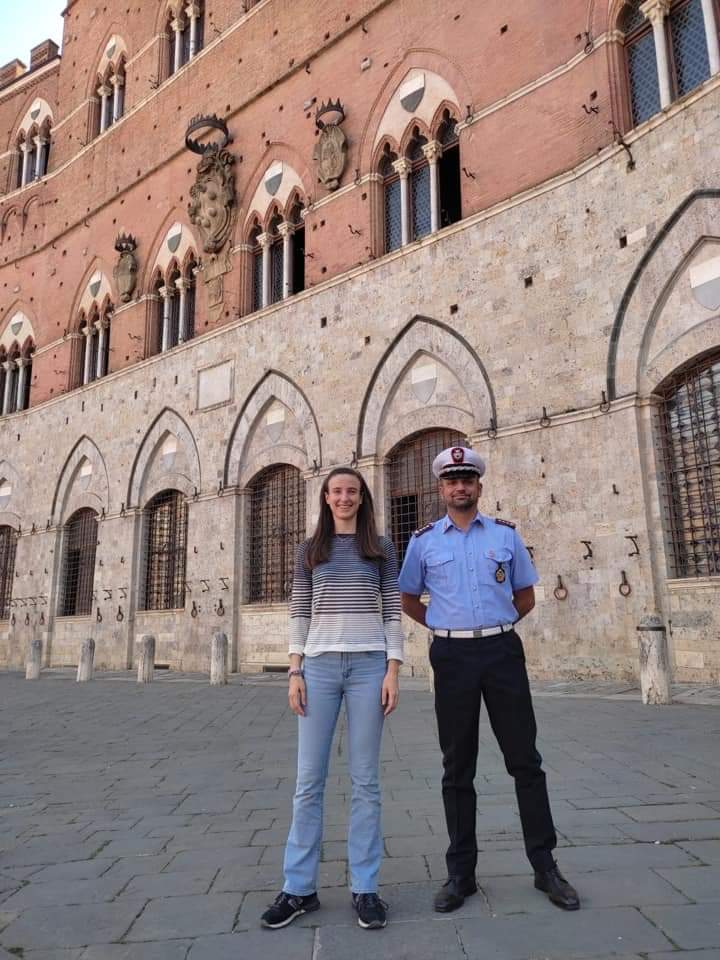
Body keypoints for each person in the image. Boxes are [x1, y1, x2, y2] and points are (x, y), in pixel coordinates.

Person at [398, 446, 579, 914]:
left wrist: (494, 626)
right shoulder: (423, 542)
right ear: (441, 488)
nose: (460, 487)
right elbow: (409, 598)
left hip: (501, 652)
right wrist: (448, 628)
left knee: (525, 760)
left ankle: (545, 866)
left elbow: (525, 595)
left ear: (479, 486)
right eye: (451, 480)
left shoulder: (505, 535)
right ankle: (461, 874)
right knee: (457, 766)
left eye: (467, 480)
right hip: (452, 656)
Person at [261, 466, 404, 931]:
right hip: (318, 667)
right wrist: (295, 671)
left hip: (369, 667)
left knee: (365, 782)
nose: (344, 498)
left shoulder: (381, 548)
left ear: (362, 498)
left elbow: (392, 610)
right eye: (337, 491)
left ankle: (365, 888)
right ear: (325, 498)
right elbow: (299, 611)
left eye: (352, 491)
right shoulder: (310, 549)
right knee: (308, 781)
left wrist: (393, 670)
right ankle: (299, 888)